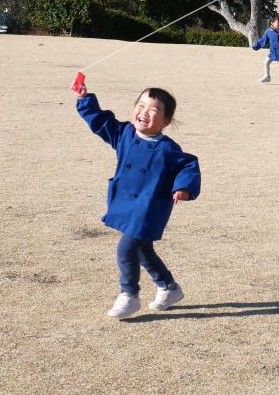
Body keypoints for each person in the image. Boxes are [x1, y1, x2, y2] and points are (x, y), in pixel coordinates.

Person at [73, 79, 201, 319]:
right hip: (126, 202)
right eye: (140, 106)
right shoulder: (124, 134)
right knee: (143, 251)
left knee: (126, 249)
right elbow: (101, 122)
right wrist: (84, 99)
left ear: (165, 121)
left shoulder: (167, 148)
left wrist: (183, 186)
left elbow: (188, 164)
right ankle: (169, 288)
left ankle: (129, 294)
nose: (144, 112)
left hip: (149, 207)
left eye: (153, 110)